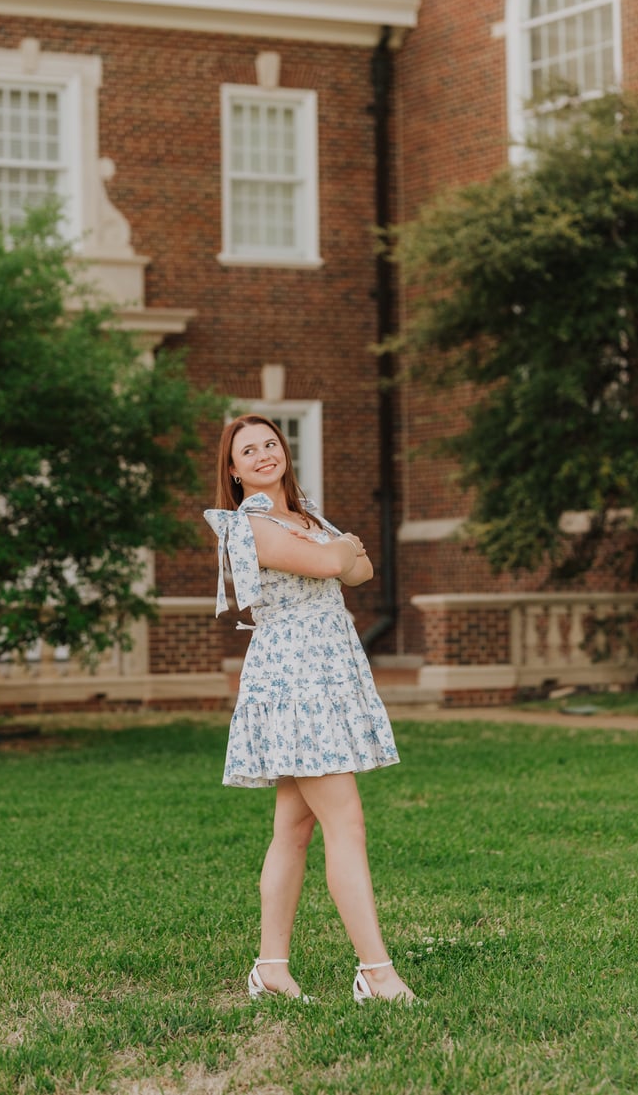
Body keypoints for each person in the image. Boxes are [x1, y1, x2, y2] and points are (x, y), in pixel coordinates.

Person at [204, 414, 416, 1005]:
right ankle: (376, 974)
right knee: (344, 822)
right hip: (294, 680)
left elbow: (363, 570)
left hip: (327, 672)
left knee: (294, 829)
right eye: (250, 450)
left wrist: (338, 550)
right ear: (234, 468)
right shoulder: (251, 523)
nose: (265, 454)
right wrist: (338, 549)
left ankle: (271, 970)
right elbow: (335, 566)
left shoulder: (304, 516)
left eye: (271, 443)